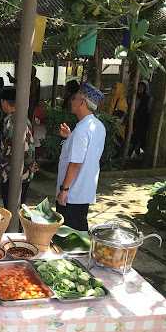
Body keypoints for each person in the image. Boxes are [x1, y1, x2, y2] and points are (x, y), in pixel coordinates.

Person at [56, 82, 106, 231]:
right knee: (79, 227)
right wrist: (70, 137)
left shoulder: (82, 130)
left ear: (82, 103)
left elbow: (76, 163)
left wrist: (64, 190)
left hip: (73, 192)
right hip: (84, 189)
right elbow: (87, 153)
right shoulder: (97, 126)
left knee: (69, 233)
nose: (71, 101)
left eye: (75, 98)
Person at [0, 87, 37, 209]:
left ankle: (15, 228)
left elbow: (23, 148)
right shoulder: (24, 118)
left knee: (12, 208)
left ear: (4, 102)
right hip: (24, 172)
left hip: (13, 172)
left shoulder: (11, 121)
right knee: (19, 206)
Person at [130, 80, 153, 157]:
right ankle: (133, 152)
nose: (140, 89)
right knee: (133, 137)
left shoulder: (147, 98)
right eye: (139, 87)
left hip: (143, 122)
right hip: (134, 121)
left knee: (140, 138)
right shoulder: (134, 97)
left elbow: (148, 111)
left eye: (142, 87)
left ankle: (138, 152)